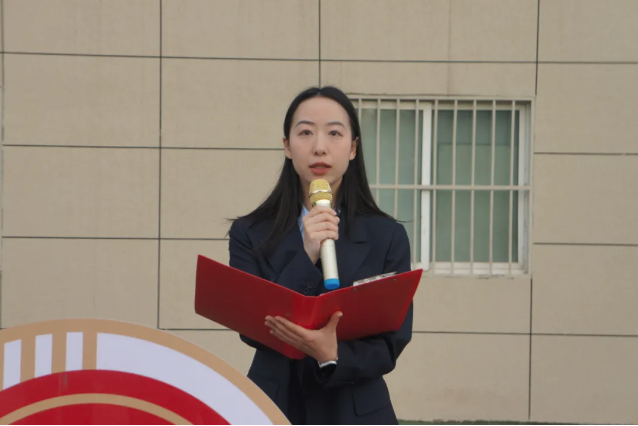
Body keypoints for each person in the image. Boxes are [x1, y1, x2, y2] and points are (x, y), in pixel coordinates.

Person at [228, 86, 413, 425]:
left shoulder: (388, 236)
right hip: (275, 406)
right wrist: (306, 251)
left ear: (353, 148)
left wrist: (332, 353)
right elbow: (252, 329)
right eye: (305, 132)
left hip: (355, 411)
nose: (319, 147)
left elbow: (391, 342)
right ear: (287, 145)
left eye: (334, 133)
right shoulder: (249, 233)